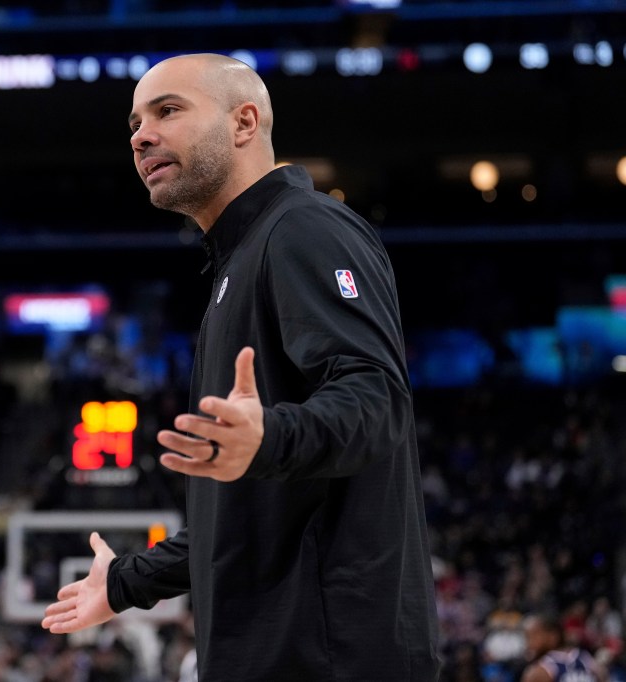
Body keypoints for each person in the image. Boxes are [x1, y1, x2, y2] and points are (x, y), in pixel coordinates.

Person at [41, 53, 441, 680]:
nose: (141, 135)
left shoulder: (305, 229)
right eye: (134, 123)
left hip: (330, 658)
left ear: (245, 122)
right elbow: (247, 515)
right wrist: (126, 582)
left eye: (168, 111)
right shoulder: (240, 261)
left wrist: (270, 437)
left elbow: (377, 398)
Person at [521, 613, 608, 682]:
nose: (529, 644)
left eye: (532, 636)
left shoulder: (539, 672)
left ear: (552, 636)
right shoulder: (588, 660)